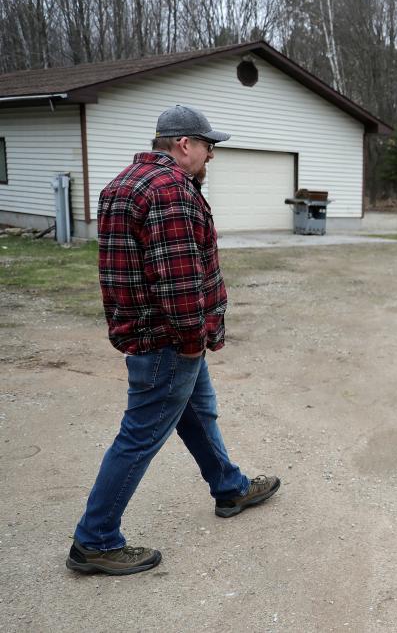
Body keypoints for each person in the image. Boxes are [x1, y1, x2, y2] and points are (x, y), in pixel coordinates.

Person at [66, 105, 280, 576]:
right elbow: (178, 279)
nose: (211, 156)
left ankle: (230, 487)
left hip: (149, 333)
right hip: (168, 341)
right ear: (185, 144)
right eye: (208, 146)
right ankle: (95, 540)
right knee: (139, 436)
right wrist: (190, 341)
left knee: (198, 413)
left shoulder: (123, 183)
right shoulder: (171, 191)